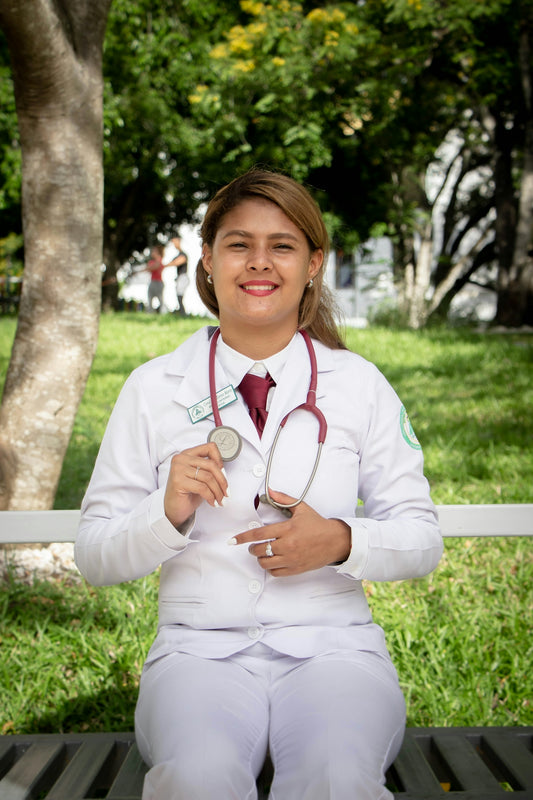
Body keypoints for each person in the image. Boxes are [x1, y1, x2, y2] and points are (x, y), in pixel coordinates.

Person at [75, 169, 443, 800]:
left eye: (282, 246)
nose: (259, 262)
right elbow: (94, 556)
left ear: (313, 264)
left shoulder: (358, 384)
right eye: (239, 244)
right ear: (208, 259)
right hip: (198, 654)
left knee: (336, 778)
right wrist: (165, 513)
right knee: (195, 779)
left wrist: (340, 541)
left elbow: (422, 539)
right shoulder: (153, 388)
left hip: (334, 650)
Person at [163, 235, 189, 315]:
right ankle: (181, 312)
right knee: (178, 296)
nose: (174, 244)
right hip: (179, 277)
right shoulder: (178, 254)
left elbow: (177, 262)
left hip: (183, 277)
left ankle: (183, 313)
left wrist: (164, 265)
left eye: (174, 242)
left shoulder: (183, 254)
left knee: (180, 295)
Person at [145, 244, 166, 313]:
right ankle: (150, 312)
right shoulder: (151, 262)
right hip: (152, 281)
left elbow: (154, 267)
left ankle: (163, 312)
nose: (152, 252)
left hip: (159, 282)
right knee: (149, 298)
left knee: (160, 299)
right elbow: (149, 268)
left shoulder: (160, 261)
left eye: (154, 251)